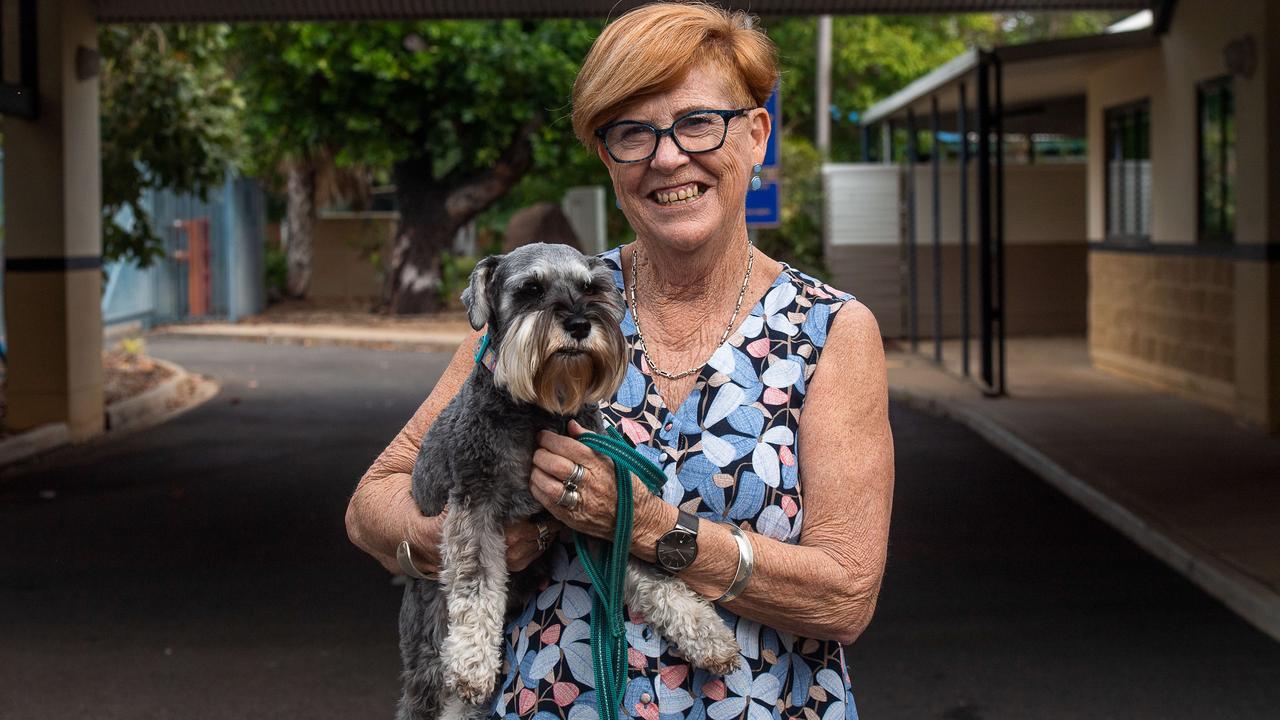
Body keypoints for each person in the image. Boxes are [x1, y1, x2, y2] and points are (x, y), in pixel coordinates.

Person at [346, 3, 894, 718]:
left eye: (699, 122)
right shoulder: (539, 302)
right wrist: (452, 548)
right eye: (634, 133)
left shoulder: (832, 331)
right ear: (608, 157)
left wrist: (645, 526)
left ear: (757, 136)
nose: (668, 157)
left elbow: (845, 596)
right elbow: (371, 504)